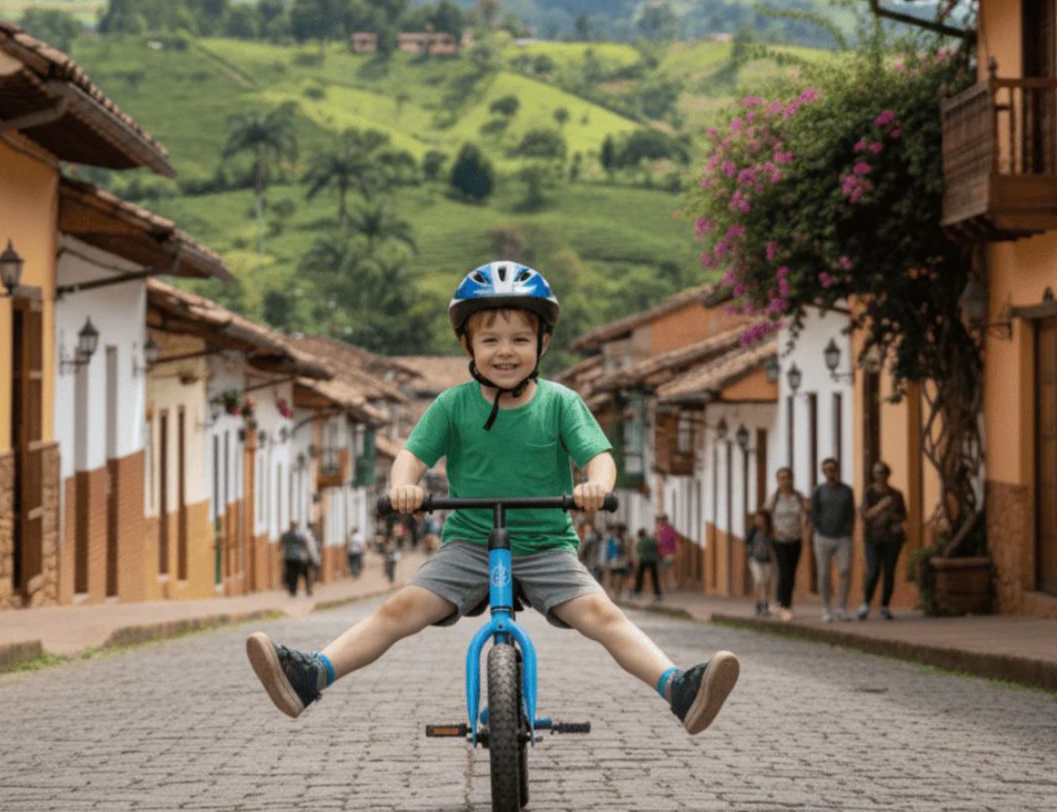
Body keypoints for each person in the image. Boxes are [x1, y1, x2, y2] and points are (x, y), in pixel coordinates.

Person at [246, 260, 739, 736]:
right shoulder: (452, 404)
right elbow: (411, 457)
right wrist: (403, 487)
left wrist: (596, 487)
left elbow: (599, 458)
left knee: (603, 615)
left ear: (543, 343)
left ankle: (677, 688)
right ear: (468, 344)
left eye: (521, 339)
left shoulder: (561, 403)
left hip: (547, 543)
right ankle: (312, 676)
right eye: (491, 340)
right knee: (399, 611)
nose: (506, 351)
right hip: (468, 544)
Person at [857, 461, 907, 620]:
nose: (881, 476)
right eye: (878, 473)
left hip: (892, 538)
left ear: (888, 475)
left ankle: (885, 605)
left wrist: (891, 516)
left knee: (889, 572)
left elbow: (903, 515)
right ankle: (865, 603)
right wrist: (880, 507)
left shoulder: (896, 494)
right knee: (873, 570)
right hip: (872, 538)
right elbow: (865, 515)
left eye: (883, 473)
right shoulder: (868, 493)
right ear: (874, 475)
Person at [809, 457, 855, 622]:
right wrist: (818, 529)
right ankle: (826, 608)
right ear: (823, 472)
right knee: (824, 574)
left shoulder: (847, 491)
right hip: (822, 537)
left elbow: (851, 513)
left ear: (837, 470)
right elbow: (813, 513)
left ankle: (842, 608)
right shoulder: (818, 491)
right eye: (827, 470)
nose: (830, 472)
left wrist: (848, 531)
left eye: (832, 469)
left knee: (845, 571)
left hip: (843, 537)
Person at [766, 467, 805, 621]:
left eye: (787, 477)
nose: (784, 481)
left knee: (792, 572)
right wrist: (772, 532)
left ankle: (786, 603)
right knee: (784, 570)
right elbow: (765, 516)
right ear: (777, 480)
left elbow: (804, 514)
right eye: (781, 478)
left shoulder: (798, 497)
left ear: (792, 479)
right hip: (779, 540)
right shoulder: (774, 498)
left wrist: (805, 530)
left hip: (796, 539)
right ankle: (783, 604)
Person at [746, 509, 774, 616]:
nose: (759, 520)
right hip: (755, 559)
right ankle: (759, 604)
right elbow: (747, 540)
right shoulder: (753, 531)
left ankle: (765, 604)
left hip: (767, 560)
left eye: (762, 518)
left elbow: (773, 545)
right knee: (759, 581)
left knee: (766, 583)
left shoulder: (769, 532)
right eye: (758, 518)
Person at [281, 522, 309, 598]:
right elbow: (305, 544)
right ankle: (293, 590)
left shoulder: (286, 535)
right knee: (293, 574)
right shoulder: (298, 536)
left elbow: (281, 544)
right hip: (294, 557)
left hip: (291, 557)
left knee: (292, 574)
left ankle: (293, 590)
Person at [607, 525, 632, 600]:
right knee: (620, 576)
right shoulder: (624, 539)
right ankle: (618, 592)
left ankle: (616, 591)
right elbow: (627, 550)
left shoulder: (612, 539)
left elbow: (609, 550)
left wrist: (609, 558)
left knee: (615, 576)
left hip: (614, 560)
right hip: (621, 561)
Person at [656, 514, 678, 594]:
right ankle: (666, 587)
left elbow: (662, 541)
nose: (660, 522)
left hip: (665, 553)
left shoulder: (665, 529)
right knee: (667, 570)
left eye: (661, 521)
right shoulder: (667, 529)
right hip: (666, 553)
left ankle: (666, 587)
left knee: (664, 571)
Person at [302, 524, 321, 597]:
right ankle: (309, 588)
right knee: (310, 573)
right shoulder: (310, 536)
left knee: (307, 574)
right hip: (309, 558)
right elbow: (312, 549)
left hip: (305, 558)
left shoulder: (306, 535)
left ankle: (308, 588)